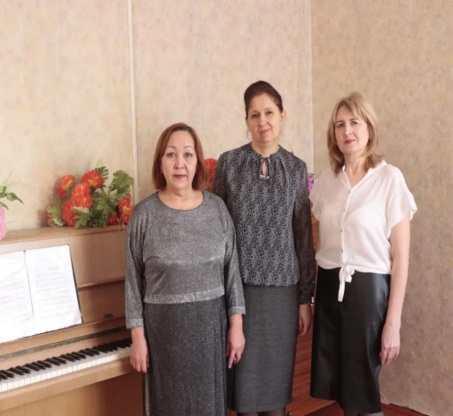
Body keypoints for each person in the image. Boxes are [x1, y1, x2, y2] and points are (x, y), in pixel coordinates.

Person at [125, 122, 246, 416]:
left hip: (210, 328)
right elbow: (132, 281)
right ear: (160, 163)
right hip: (163, 332)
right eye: (171, 154)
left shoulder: (217, 209)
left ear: (197, 162)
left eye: (188, 154)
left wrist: (237, 326)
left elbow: (232, 273)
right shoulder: (144, 215)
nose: (179, 163)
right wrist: (137, 338)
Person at [310, 92, 417, 416]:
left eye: (354, 122)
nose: (347, 131)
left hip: (369, 294)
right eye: (340, 124)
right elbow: (321, 240)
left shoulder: (389, 179)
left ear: (369, 128)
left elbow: (401, 258)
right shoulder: (327, 181)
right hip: (329, 290)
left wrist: (393, 323)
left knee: (364, 389)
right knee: (342, 389)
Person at [213, 81, 316, 416]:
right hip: (238, 295)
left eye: (269, 112)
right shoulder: (228, 164)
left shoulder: (297, 169)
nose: (263, 121)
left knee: (275, 399)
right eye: (254, 114)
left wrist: (305, 298)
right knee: (244, 397)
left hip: (283, 296)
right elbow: (217, 233)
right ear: (246, 119)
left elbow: (303, 237)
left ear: (282, 116)